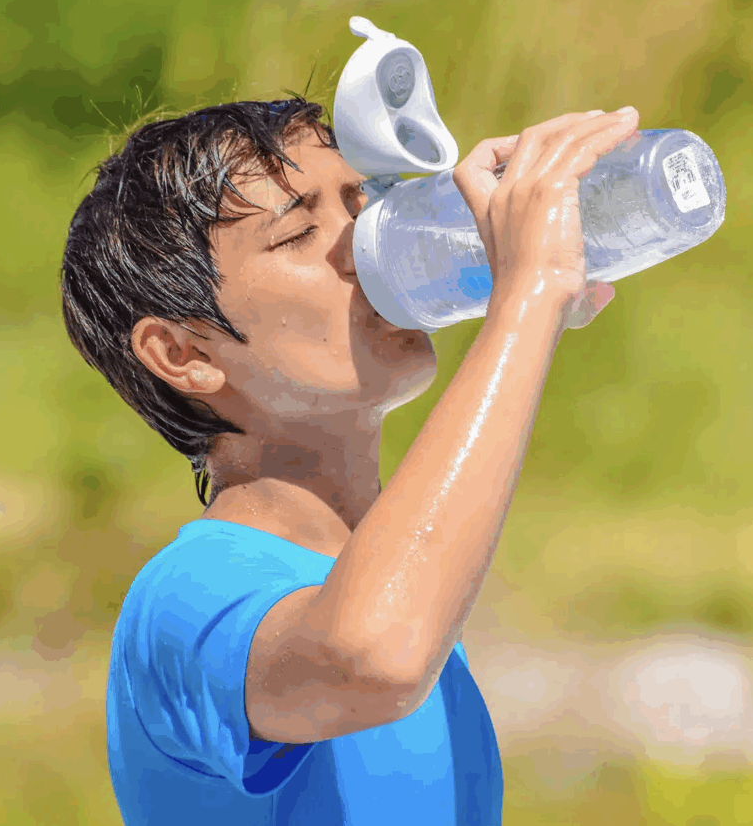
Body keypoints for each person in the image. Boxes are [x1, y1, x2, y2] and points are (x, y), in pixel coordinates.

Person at [60, 95, 640, 824]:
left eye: (363, 203)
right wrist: (527, 298)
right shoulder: (182, 597)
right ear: (185, 353)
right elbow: (373, 655)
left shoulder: (392, 594)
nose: (369, 243)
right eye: (301, 231)